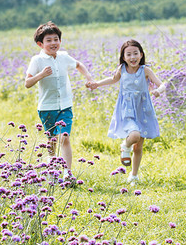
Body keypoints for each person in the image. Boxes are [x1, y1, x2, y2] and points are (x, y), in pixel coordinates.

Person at [87, 39, 164, 184]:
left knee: (139, 146)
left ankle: (133, 175)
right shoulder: (122, 69)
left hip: (143, 110)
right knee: (134, 136)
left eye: (135, 53)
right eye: (128, 54)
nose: (132, 57)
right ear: (123, 57)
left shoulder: (145, 70)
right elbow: (112, 79)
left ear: (141, 55)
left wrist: (158, 90)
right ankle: (125, 146)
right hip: (127, 110)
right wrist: (97, 84)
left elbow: (162, 84)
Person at [25, 21, 94, 180]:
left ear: (60, 41)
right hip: (47, 107)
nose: (53, 43)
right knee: (52, 140)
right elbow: (27, 83)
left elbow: (78, 65)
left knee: (64, 137)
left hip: (65, 105)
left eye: (56, 39)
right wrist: (41, 75)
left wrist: (89, 77)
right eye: (48, 40)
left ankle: (68, 173)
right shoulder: (37, 60)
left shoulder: (64, 57)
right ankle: (52, 164)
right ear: (40, 44)